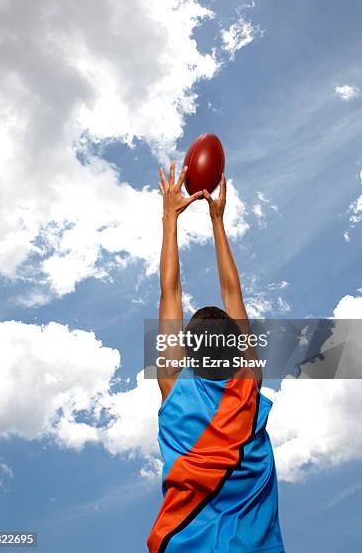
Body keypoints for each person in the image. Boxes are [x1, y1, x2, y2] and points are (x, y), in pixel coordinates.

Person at [147, 163, 285, 553]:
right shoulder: (248, 385)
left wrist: (169, 218)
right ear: (239, 350)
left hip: (182, 543)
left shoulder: (174, 385)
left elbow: (169, 292)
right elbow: (233, 294)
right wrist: (217, 221)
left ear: (187, 351)